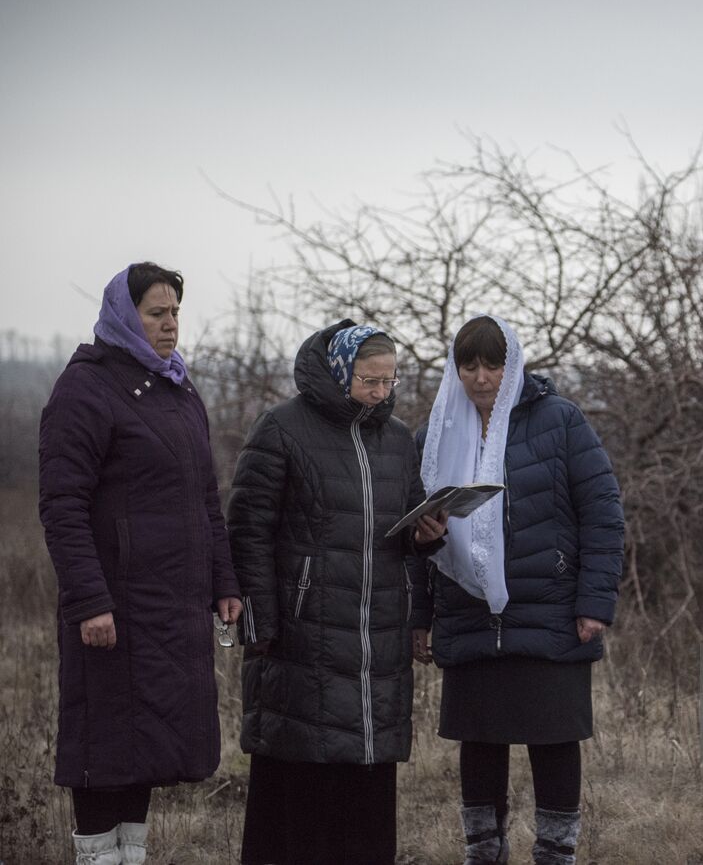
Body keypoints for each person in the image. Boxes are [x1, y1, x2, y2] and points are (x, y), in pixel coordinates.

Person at [39, 262, 243, 865]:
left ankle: (133, 857)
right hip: (114, 609)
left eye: (176, 312)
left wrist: (223, 582)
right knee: (104, 748)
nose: (170, 325)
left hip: (170, 608)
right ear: (126, 317)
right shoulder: (86, 388)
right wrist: (90, 601)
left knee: (147, 748)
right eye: (157, 314)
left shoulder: (177, 389)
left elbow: (206, 499)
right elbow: (61, 504)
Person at [226, 321, 446, 865]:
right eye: (369, 381)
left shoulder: (397, 440)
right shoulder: (281, 428)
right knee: (299, 787)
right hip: (304, 640)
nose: (381, 393)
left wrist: (427, 537)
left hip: (378, 642)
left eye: (389, 381)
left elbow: (409, 527)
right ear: (340, 372)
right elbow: (248, 529)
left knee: (367, 792)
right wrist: (261, 624)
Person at [421, 315, 624, 865]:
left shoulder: (560, 422)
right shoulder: (436, 433)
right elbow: (412, 542)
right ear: (456, 369)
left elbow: (602, 514)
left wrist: (593, 603)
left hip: (551, 611)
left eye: (494, 364)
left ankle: (555, 854)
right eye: (470, 365)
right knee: (480, 741)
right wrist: (421, 616)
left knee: (554, 740)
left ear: (514, 365)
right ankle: (482, 852)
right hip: (468, 615)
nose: (482, 378)